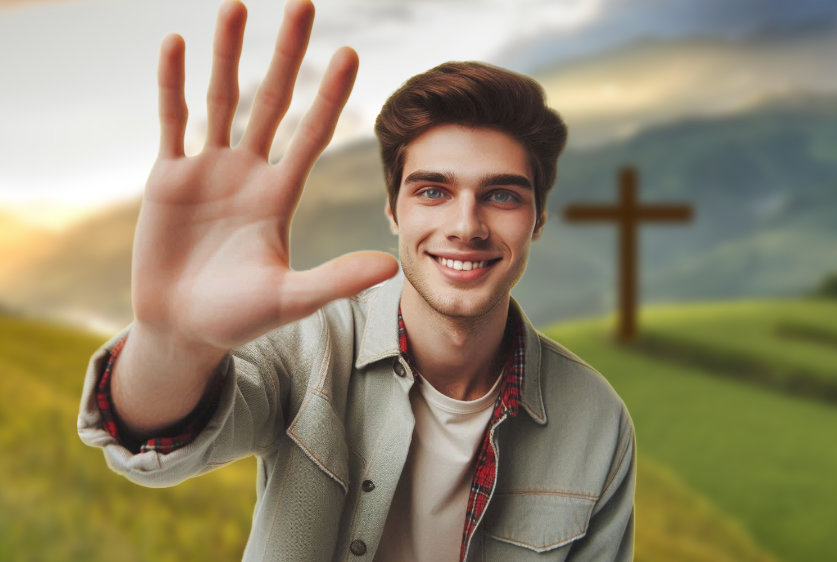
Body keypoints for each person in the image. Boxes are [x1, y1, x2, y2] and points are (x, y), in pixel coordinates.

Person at [77, 1, 635, 560]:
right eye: (433, 191)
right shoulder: (309, 346)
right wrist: (174, 341)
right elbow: (158, 441)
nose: (466, 226)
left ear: (537, 220)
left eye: (502, 195)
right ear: (393, 211)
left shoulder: (598, 422)